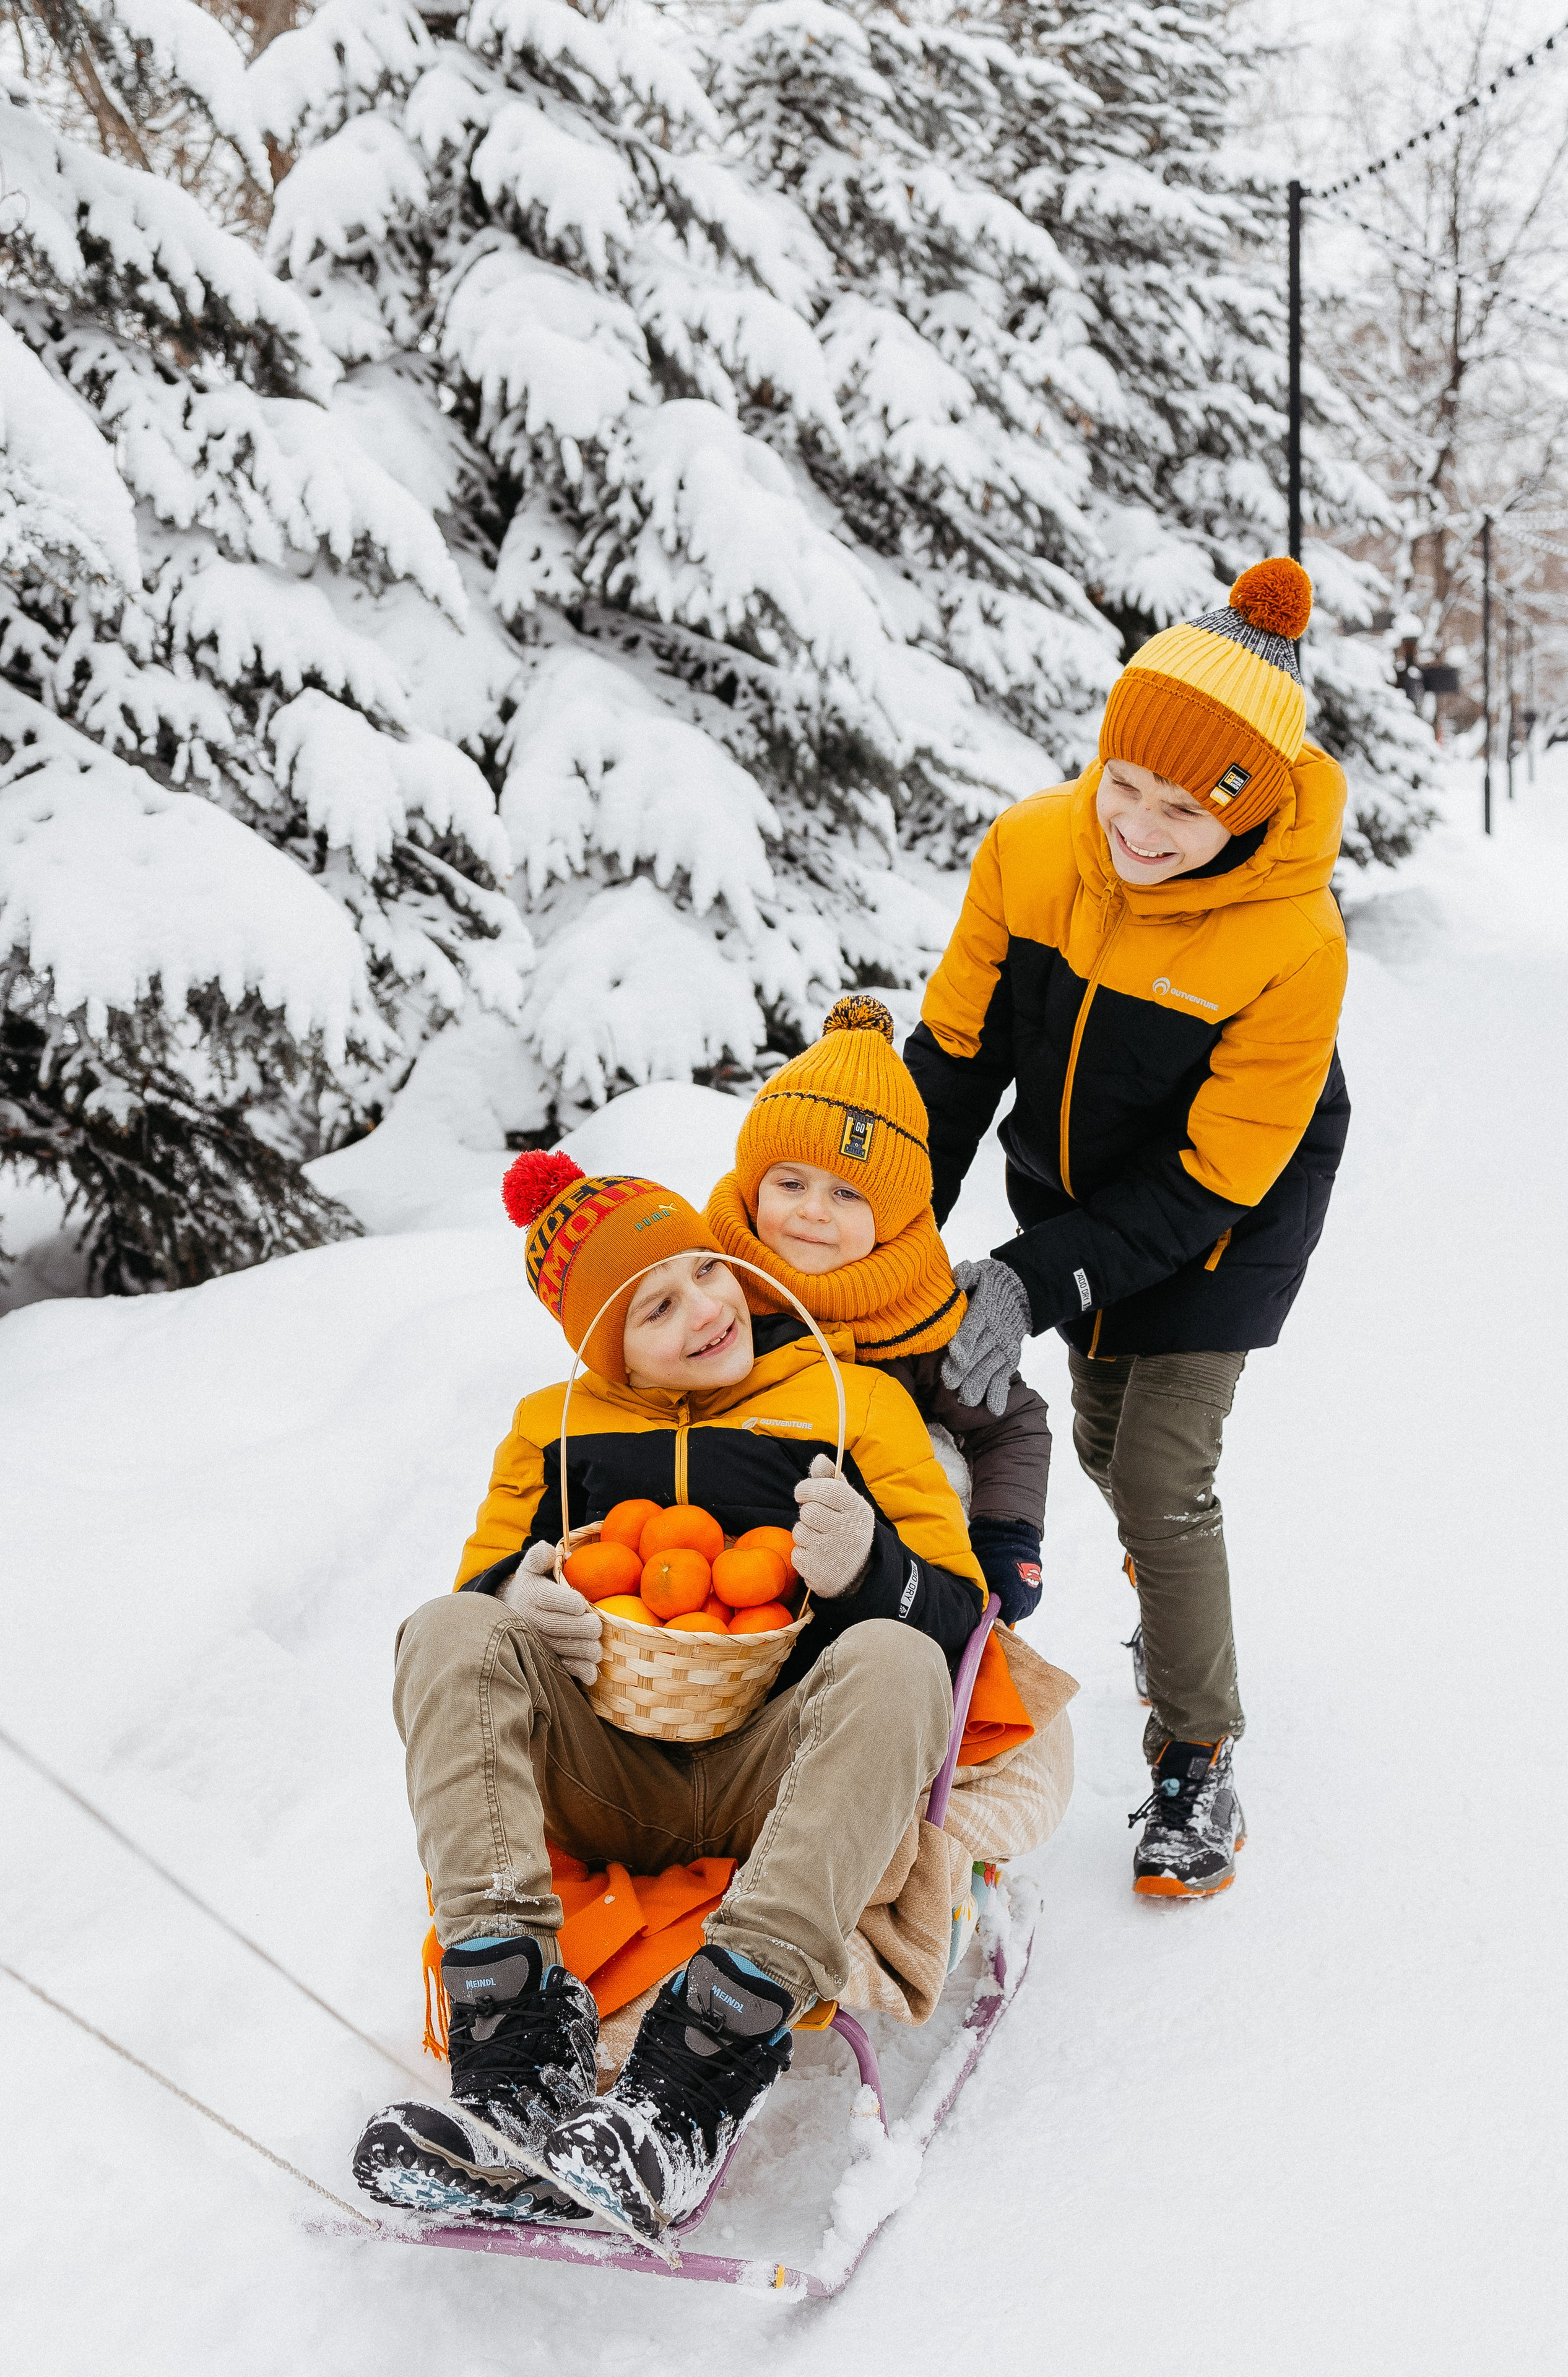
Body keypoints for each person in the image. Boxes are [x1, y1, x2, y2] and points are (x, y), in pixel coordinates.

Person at [353, 1158, 985, 2241]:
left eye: (708, 1269)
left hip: (778, 1772)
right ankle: (513, 2066)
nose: (706, 1306)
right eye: (657, 1304)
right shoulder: (549, 1430)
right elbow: (482, 1602)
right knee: (445, 1629)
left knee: (898, 1660)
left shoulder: (852, 1402)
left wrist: (872, 1571)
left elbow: (959, 1620)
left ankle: (695, 2079)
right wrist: (521, 1592)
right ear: (607, 1347)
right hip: (607, 1775)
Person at [903, 558, 1349, 1900]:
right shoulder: (1032, 848)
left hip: (1224, 1218)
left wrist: (1030, 1279)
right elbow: (954, 1061)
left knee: (1156, 1474)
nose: (1136, 831)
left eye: (1179, 810)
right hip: (1077, 1183)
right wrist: (876, 1243)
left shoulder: (1290, 940)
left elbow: (1216, 1175)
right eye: (1122, 787)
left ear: (1247, 813)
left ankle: (1195, 1755)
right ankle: (1168, 1592)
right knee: (1101, 1443)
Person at [704, 992, 1052, 1624]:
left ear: (890, 1217)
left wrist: (1007, 1537)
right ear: (754, 1185)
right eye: (789, 1183)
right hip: (722, 1585)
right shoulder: (713, 1283)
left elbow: (1008, 1422)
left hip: (877, 1582)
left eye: (846, 1193)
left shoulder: (916, 1315)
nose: (812, 1211)